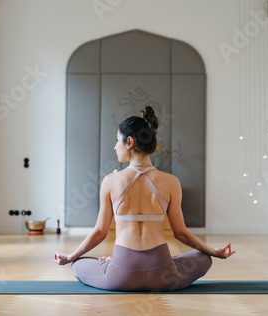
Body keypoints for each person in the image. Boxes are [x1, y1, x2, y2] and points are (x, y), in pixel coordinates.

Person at [53, 106, 235, 291]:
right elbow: (180, 233)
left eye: (117, 141)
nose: (115, 146)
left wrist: (71, 256)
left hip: (120, 277)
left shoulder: (110, 181)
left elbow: (100, 232)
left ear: (129, 142)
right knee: (203, 258)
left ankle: (115, 264)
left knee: (77, 265)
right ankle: (160, 263)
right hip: (163, 276)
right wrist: (212, 252)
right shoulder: (171, 182)